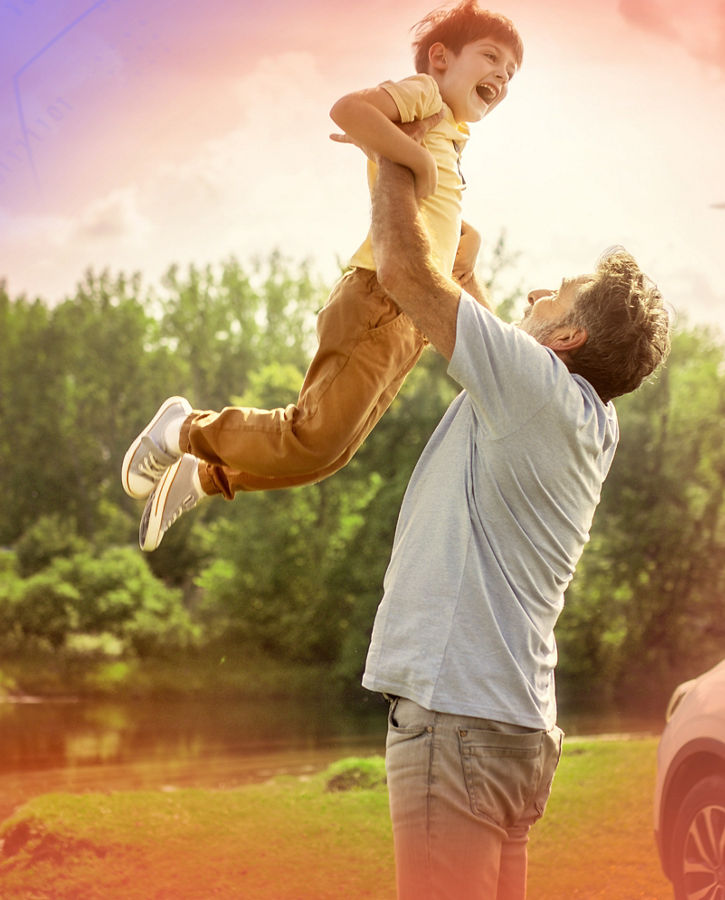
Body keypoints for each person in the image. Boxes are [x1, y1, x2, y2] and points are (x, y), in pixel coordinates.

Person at [356, 138, 671, 897]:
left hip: (458, 718)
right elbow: (499, 344)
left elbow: (401, 272)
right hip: (513, 731)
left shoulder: (534, 390)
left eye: (554, 295)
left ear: (568, 338)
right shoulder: (584, 416)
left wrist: (392, 149)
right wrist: (465, 273)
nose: (535, 291)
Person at [121, 1, 524, 551]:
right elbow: (348, 109)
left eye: (511, 72)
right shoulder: (425, 95)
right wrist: (416, 160)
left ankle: (203, 475)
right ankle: (183, 430)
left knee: (326, 455)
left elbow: (439, 218)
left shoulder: (450, 135)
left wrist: (461, 241)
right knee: (311, 437)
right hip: (378, 299)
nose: (502, 75)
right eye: (492, 57)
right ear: (440, 58)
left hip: (407, 323)